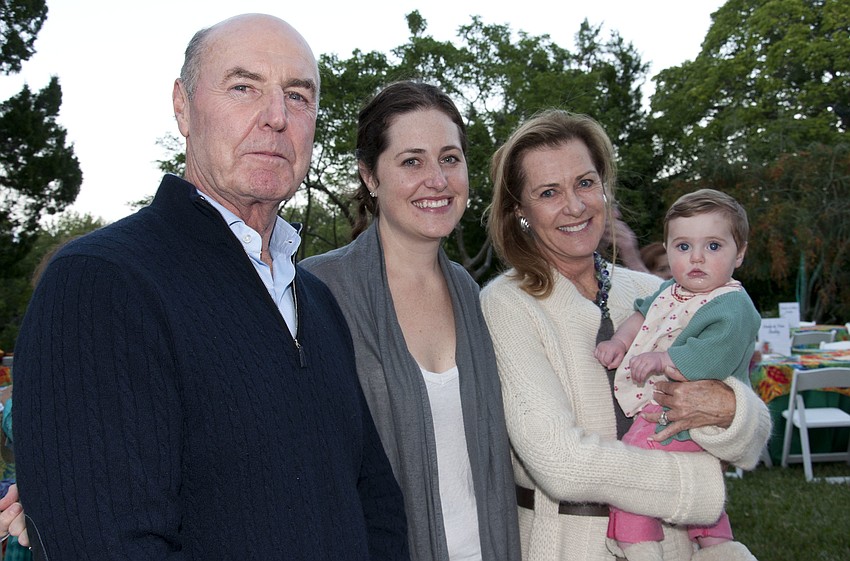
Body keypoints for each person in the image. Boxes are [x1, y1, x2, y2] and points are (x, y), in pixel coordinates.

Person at [7, 14, 408, 560]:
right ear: (183, 106)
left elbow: (374, 504)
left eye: (297, 96)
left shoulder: (315, 300)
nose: (276, 117)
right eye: (243, 87)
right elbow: (108, 543)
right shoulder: (100, 282)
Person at [481, 109, 770, 561]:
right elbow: (560, 461)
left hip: (674, 547)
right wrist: (698, 487)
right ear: (520, 209)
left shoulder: (653, 291)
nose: (575, 206)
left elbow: (749, 434)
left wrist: (731, 408)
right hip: (569, 546)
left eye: (585, 183)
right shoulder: (507, 303)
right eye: (549, 192)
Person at [301, 81, 520, 561]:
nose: (437, 180)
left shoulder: (473, 294)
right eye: (412, 162)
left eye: (450, 158)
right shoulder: (316, 291)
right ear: (370, 177)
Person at [594, 189, 762, 560]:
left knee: (634, 463)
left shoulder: (732, 304)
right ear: (668, 249)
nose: (696, 258)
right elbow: (642, 316)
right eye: (683, 246)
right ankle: (718, 544)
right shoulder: (670, 290)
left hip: (689, 419)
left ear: (740, 253)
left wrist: (662, 359)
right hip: (674, 414)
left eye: (713, 246)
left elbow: (714, 355)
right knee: (696, 482)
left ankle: (636, 541)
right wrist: (620, 342)